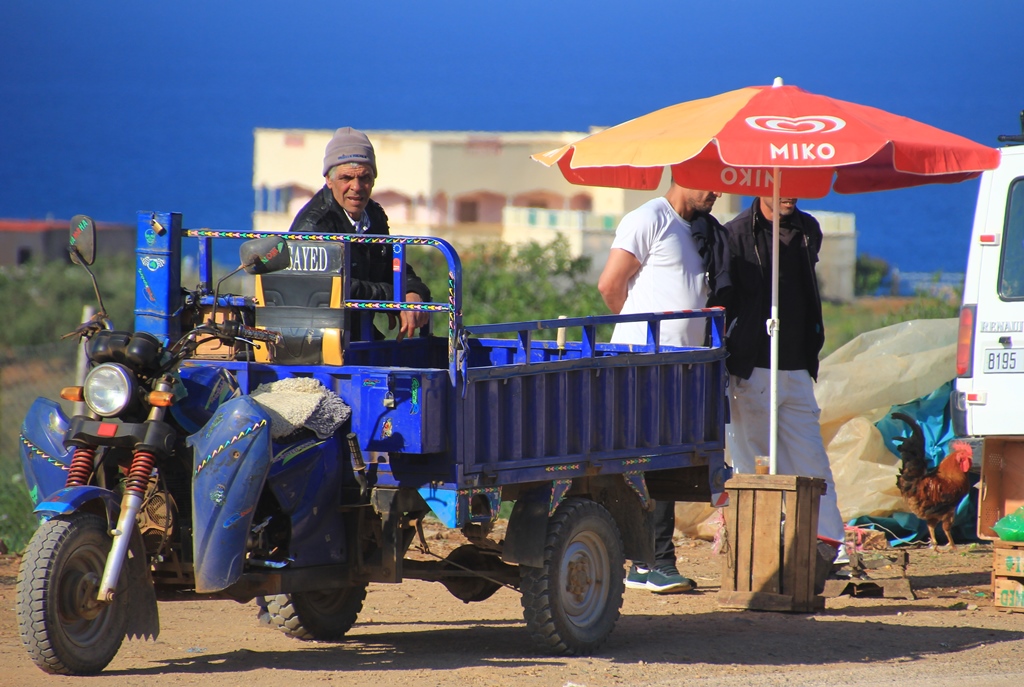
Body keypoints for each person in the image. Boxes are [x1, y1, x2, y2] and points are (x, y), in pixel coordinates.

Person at [597, 182, 730, 594]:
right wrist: (639, 329)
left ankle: (652, 561)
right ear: (684, 175)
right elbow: (610, 285)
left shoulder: (703, 230)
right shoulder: (649, 218)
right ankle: (649, 563)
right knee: (648, 459)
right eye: (708, 181)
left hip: (682, 365)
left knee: (668, 459)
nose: (716, 192)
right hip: (645, 363)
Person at [722, 196, 847, 563]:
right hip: (754, 367)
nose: (788, 193)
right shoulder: (737, 234)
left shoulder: (809, 230)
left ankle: (829, 549)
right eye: (780, 184)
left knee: (812, 463)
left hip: (796, 367)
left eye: (796, 184)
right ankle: (762, 551)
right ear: (762, 183)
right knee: (755, 466)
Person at [289, 127, 431, 341]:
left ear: (373, 179)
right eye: (346, 178)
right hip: (316, 339)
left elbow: (394, 264)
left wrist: (413, 295)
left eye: (364, 178)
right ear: (329, 179)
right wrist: (394, 297)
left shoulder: (374, 215)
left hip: (359, 335)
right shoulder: (313, 227)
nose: (356, 187)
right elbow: (331, 286)